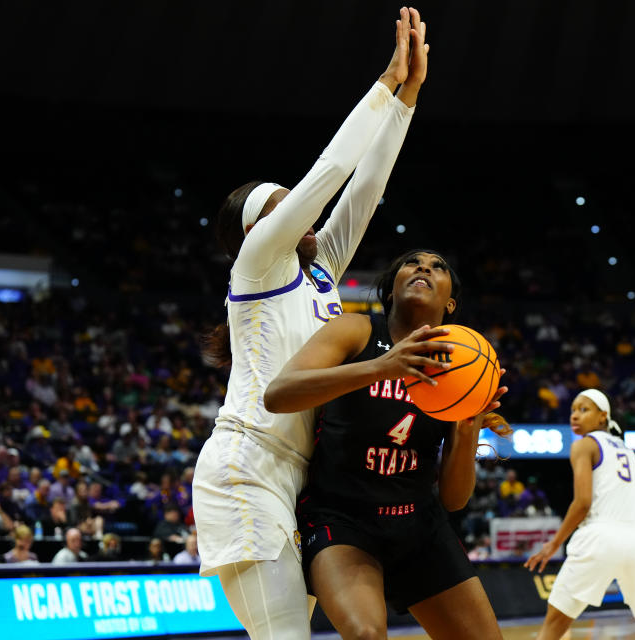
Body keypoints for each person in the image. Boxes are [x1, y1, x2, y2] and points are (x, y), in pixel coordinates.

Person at [191, 8, 428, 639]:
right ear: (258, 230)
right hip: (246, 467)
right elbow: (330, 174)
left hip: (299, 477)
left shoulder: (317, 271)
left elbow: (366, 186)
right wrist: (382, 84)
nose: (297, 210)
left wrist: (407, 99)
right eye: (279, 205)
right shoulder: (258, 263)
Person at [264, 249, 509, 639]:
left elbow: (455, 499)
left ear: (450, 303)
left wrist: (466, 430)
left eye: (438, 266)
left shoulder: (461, 365)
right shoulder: (356, 331)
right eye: (412, 263)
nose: (424, 267)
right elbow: (277, 394)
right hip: (343, 520)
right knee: (365, 634)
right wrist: (382, 366)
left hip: (419, 526)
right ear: (391, 291)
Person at [524, 389, 635, 640]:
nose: (575, 415)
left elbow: (582, 503)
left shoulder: (584, 445)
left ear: (603, 416)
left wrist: (554, 543)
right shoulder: (628, 452)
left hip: (599, 537)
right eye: (573, 409)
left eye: (584, 409)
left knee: (554, 624)